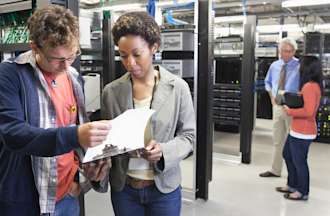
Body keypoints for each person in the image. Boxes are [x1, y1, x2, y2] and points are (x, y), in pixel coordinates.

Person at [0, 5, 111, 216]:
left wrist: (85, 173)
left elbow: (74, 138)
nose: (66, 65)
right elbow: (13, 134)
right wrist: (76, 135)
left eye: (72, 55)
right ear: (35, 47)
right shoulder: (10, 75)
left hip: (67, 196)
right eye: (57, 59)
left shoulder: (73, 77)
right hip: (28, 201)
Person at [101, 12, 195, 216]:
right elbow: (105, 141)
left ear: (153, 47)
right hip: (125, 190)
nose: (130, 63)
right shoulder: (111, 92)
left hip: (163, 190)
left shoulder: (178, 88)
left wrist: (163, 151)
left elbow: (189, 137)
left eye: (137, 55)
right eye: (123, 55)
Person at [276, 56, 322, 200]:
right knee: (288, 155)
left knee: (299, 161)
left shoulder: (310, 86)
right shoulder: (310, 85)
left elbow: (308, 111)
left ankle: (302, 192)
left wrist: (290, 111)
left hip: (303, 131)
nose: (299, 67)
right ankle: (292, 185)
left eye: (301, 65)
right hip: (297, 129)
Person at [259, 37, 300, 177]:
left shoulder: (300, 66)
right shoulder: (275, 65)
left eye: (288, 51)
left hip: (292, 107)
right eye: (283, 51)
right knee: (277, 140)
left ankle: (293, 173)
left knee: (293, 141)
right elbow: (267, 82)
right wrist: (271, 96)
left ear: (294, 51)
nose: (285, 54)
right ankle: (275, 170)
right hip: (277, 105)